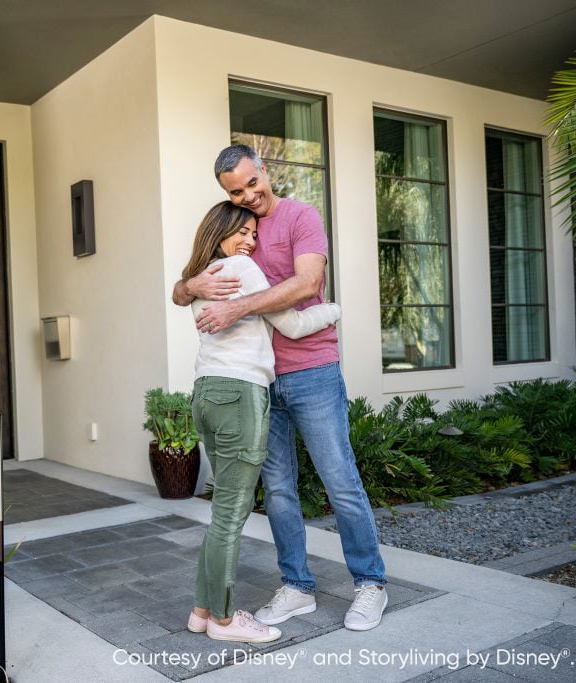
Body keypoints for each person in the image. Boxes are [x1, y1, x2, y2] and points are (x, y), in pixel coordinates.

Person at [173, 144, 389, 632]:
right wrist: (192, 288)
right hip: (258, 383)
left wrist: (236, 307)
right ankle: (297, 587)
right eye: (236, 191)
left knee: (341, 481)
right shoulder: (232, 230)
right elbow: (183, 287)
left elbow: (308, 283)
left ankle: (370, 583)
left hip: (312, 370)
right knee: (279, 491)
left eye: (253, 183)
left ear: (264, 171)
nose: (249, 196)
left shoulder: (300, 216)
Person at [181, 201, 341, 643]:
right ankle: (226, 621)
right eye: (242, 232)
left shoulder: (201, 278)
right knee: (231, 515)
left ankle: (202, 609)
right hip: (240, 395)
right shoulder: (242, 271)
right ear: (220, 231)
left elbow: (181, 294)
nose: (250, 241)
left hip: (208, 392)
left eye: (254, 234)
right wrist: (333, 310)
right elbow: (290, 324)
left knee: (221, 512)